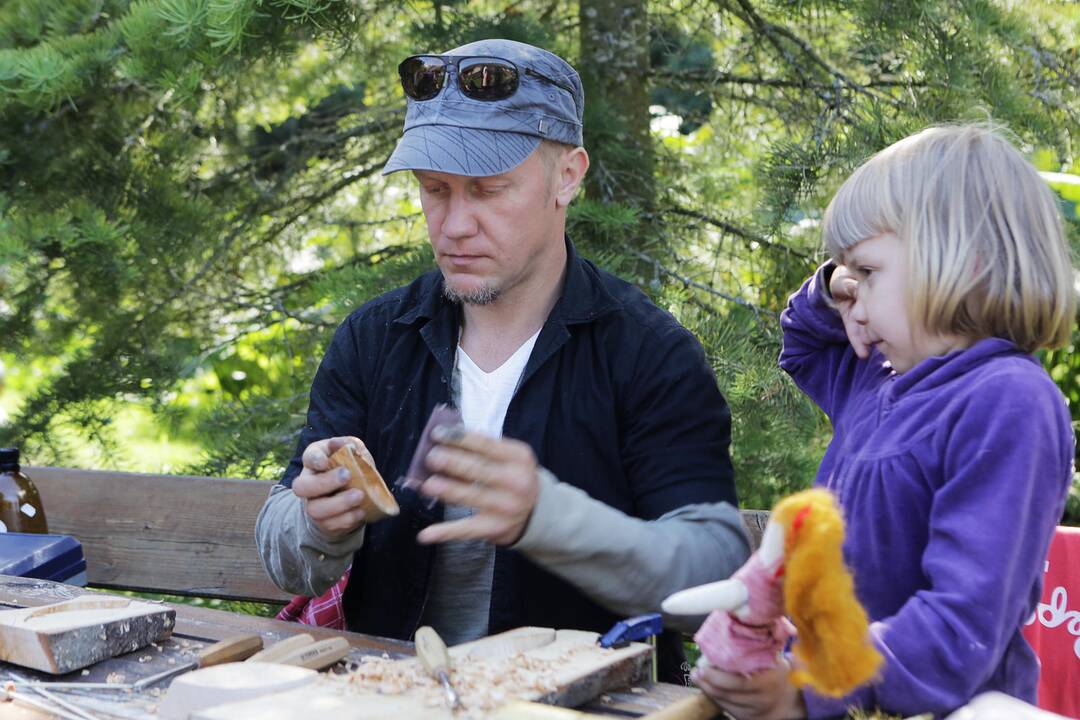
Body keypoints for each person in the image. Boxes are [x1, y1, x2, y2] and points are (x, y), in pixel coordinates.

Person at [255, 38, 749, 680]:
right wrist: (315, 521)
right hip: (387, 693)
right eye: (435, 190)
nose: (455, 224)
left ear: (567, 176)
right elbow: (284, 547)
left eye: (488, 191)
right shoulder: (377, 337)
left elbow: (714, 571)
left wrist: (548, 516)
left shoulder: (647, 352)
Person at [694, 124, 1076, 718]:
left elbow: (959, 627)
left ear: (962, 260)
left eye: (867, 274)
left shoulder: (1008, 401)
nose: (857, 301)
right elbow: (803, 346)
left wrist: (808, 684)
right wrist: (834, 288)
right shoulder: (879, 376)